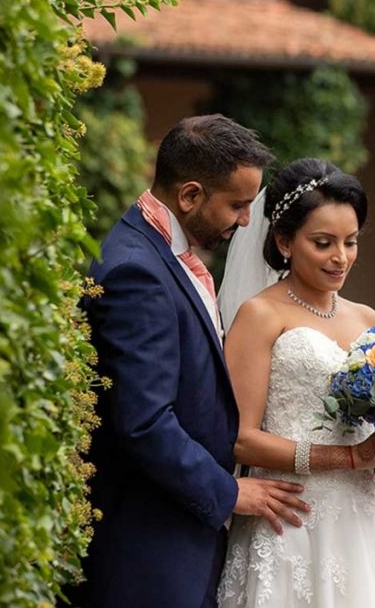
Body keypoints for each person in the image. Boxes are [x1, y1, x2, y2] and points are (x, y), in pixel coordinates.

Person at [70, 115, 311, 608]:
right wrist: (228, 494)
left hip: (180, 536)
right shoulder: (137, 270)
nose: (246, 221)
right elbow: (144, 421)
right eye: (238, 205)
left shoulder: (161, 253)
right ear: (190, 196)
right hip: (149, 549)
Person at [215, 158, 375, 607]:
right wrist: (353, 455)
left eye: (350, 242)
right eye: (323, 243)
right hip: (292, 516)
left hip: (367, 519)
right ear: (284, 242)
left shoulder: (369, 321)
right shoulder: (260, 316)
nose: (341, 257)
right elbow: (241, 440)